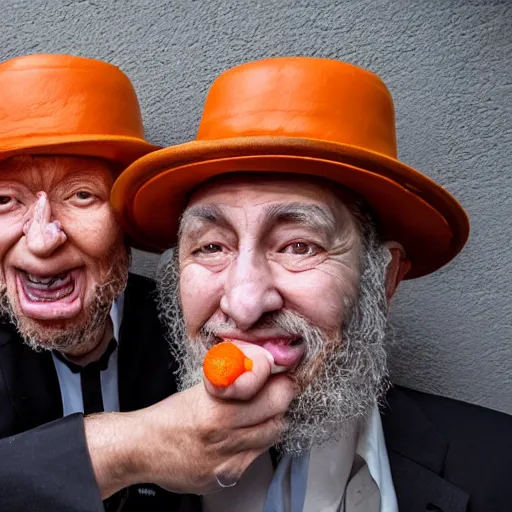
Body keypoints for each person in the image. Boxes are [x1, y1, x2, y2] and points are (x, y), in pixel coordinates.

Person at [112, 57, 512, 512]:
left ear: (383, 277)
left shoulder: (501, 468)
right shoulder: (121, 464)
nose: (243, 306)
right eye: (210, 247)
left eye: (298, 246)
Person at [0, 54, 296, 512]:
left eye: (82, 195)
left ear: (127, 218)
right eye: (5, 200)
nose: (41, 241)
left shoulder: (208, 322)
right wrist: (130, 446)